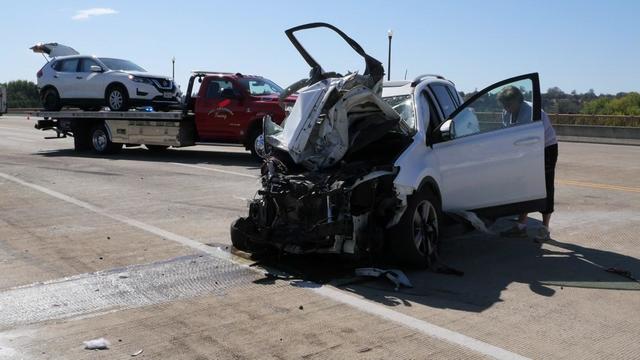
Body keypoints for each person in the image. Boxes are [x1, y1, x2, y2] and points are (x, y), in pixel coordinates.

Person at [497, 86, 558, 241]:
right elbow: (507, 135)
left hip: (546, 148)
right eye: (504, 105)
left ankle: (545, 228)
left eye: (508, 105)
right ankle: (521, 226)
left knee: (545, 186)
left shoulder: (531, 111)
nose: (506, 109)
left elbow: (525, 138)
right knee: (523, 186)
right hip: (524, 150)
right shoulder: (507, 112)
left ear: (518, 101)